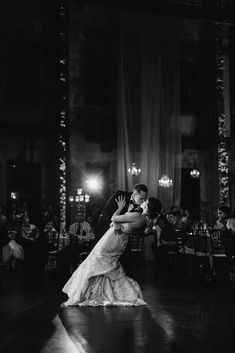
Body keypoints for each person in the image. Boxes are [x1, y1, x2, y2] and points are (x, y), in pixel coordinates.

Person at [60, 196, 160, 307]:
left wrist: (120, 208)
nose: (144, 201)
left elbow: (114, 218)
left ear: (148, 206)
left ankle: (87, 294)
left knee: (97, 261)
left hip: (113, 239)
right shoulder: (147, 221)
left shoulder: (138, 216)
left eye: (146, 201)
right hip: (120, 240)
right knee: (105, 264)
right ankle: (100, 292)